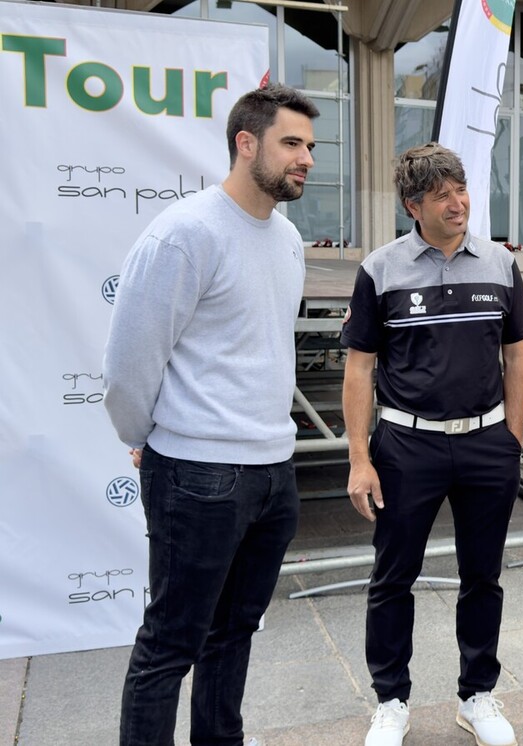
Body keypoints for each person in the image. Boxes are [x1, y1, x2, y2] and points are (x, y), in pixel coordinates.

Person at [103, 84, 319, 746]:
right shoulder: (185, 233)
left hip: (273, 473)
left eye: (310, 146)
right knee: (171, 642)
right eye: (292, 143)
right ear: (245, 143)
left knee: (235, 634)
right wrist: (145, 438)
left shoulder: (286, 240)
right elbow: (131, 362)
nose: (306, 158)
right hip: (196, 475)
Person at [340, 143, 523, 746]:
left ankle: (477, 694)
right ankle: (391, 701)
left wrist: (513, 437)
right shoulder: (381, 268)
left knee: (484, 575)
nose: (458, 203)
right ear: (413, 206)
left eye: (461, 190)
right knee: (392, 577)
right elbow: (358, 368)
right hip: (406, 446)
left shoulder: (500, 264)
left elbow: (518, 353)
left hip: (486, 444)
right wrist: (359, 459)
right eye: (442, 195)